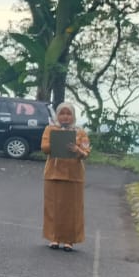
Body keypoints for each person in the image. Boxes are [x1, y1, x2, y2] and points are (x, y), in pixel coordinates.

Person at [42, 102, 91, 251]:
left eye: (68, 114)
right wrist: (58, 141)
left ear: (73, 116)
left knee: (73, 209)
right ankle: (54, 238)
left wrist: (77, 149)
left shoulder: (80, 132)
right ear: (57, 116)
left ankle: (70, 240)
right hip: (53, 174)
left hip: (74, 176)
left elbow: (86, 152)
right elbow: (44, 147)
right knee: (53, 208)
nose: (65, 117)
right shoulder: (50, 129)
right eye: (62, 114)